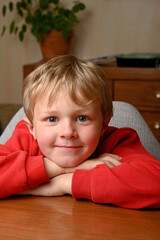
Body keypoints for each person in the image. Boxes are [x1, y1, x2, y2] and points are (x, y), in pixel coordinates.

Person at [0, 55, 160, 209]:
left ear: (103, 125)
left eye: (82, 118)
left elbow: (155, 183)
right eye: (52, 119)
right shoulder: (26, 137)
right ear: (32, 128)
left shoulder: (117, 140)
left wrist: (62, 184)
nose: (68, 132)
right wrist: (63, 168)